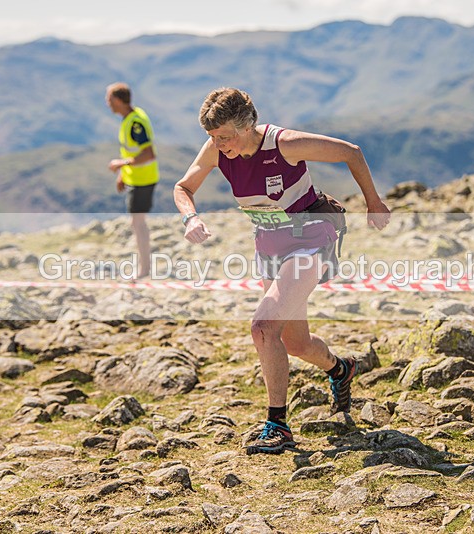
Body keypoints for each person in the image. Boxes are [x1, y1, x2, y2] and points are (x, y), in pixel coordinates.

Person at [174, 87, 390, 455]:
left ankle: (278, 425)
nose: (218, 144)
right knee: (295, 343)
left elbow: (351, 153)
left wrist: (373, 202)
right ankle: (341, 369)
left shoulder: (284, 144)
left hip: (311, 240)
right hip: (269, 248)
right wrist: (190, 217)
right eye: (212, 137)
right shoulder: (216, 149)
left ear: (247, 126)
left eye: (224, 136)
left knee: (263, 327)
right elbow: (183, 187)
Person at [106, 82, 159, 278]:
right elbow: (132, 151)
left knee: (138, 223)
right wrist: (123, 174)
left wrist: (122, 164)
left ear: (119, 100)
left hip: (143, 179)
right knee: (137, 222)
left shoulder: (135, 122)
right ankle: (144, 266)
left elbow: (148, 154)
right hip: (136, 178)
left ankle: (144, 269)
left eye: (109, 99)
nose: (108, 103)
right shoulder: (130, 118)